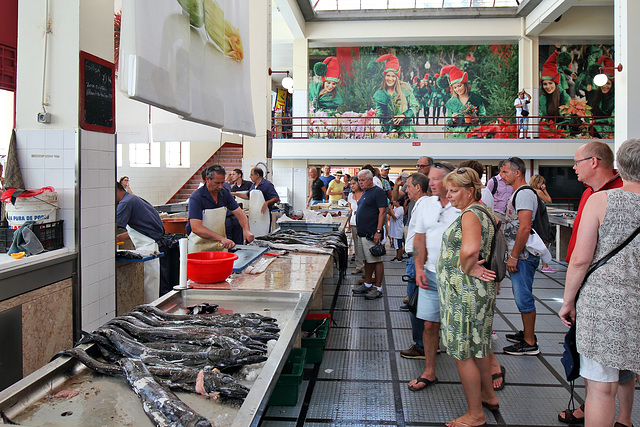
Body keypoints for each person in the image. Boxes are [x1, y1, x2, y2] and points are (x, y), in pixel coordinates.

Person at [558, 138, 640, 427]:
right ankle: (626, 421)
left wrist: (568, 301)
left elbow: (580, 259)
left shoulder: (602, 200)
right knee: (627, 371)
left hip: (603, 303)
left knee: (601, 389)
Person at [437, 167, 499, 427]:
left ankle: (475, 414)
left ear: (470, 191)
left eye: (454, 191)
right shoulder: (483, 211)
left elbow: (471, 248)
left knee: (463, 353)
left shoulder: (470, 215)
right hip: (477, 294)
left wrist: (468, 267)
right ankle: (488, 395)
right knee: (480, 347)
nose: (448, 195)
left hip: (463, 295)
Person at [406, 161, 461, 391]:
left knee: (462, 327)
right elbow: (419, 237)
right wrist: (419, 268)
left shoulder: (463, 205)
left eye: (437, 178)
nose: (432, 182)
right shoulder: (425, 204)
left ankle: (489, 369)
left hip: (458, 277)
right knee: (429, 325)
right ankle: (430, 370)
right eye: (431, 178)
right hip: (430, 273)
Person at [499, 157, 540, 356]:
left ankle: (530, 342)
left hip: (523, 256)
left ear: (518, 172)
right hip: (520, 255)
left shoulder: (524, 194)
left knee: (523, 297)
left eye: (505, 172)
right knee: (522, 295)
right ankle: (527, 334)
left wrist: (514, 256)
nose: (501, 175)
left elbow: (524, 227)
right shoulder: (519, 193)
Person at [116, 182, 169, 301]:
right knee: (154, 288)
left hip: (150, 249)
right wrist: (119, 238)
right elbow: (139, 229)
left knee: (150, 290)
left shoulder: (125, 203)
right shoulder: (133, 199)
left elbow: (115, 227)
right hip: (153, 245)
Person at [398, 173, 429, 357]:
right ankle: (427, 343)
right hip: (415, 258)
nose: (406, 191)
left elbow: (423, 236)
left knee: (415, 304)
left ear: (418, 187)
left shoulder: (424, 205)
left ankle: (421, 345)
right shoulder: (420, 205)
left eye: (408, 187)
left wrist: (419, 265)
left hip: (417, 259)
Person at [187, 165, 254, 250]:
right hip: (200, 247)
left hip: (220, 245)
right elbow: (196, 228)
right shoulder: (196, 197)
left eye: (222, 182)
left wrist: (246, 230)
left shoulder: (224, 194)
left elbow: (240, 214)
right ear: (207, 179)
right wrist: (221, 238)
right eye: (217, 183)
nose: (220, 186)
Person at [351, 169, 388, 300]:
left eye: (362, 180)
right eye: (359, 180)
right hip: (362, 233)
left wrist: (378, 231)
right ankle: (367, 284)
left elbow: (382, 212)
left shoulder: (378, 192)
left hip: (372, 234)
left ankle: (378, 288)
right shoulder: (366, 192)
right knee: (367, 260)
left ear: (370, 180)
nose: (360, 182)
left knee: (376, 260)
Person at [372, 54, 419, 138]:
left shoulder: (405, 89)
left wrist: (404, 115)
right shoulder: (380, 93)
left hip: (406, 132)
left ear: (397, 77)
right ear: (384, 76)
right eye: (388, 75)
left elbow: (415, 106)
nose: (390, 79)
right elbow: (379, 114)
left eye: (393, 76)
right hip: (388, 133)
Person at [440, 64, 486, 139]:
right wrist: (453, 120)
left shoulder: (476, 98)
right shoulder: (451, 102)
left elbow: (485, 117)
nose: (457, 89)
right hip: (458, 138)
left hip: (474, 135)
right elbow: (447, 124)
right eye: (455, 87)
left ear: (465, 84)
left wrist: (477, 118)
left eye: (459, 86)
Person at [528, 174, 555, 273]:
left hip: (534, 219)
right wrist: (545, 190)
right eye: (541, 183)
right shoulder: (538, 192)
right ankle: (545, 265)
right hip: (541, 220)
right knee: (545, 240)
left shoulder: (530, 191)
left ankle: (537, 263)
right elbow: (549, 201)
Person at [585, 56, 615, 139]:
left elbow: (613, 120)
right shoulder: (598, 96)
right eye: (603, 83)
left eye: (608, 83)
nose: (604, 86)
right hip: (596, 130)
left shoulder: (616, 99)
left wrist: (594, 122)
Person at [539, 52, 571, 124]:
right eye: (545, 84)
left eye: (550, 83)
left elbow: (569, 119)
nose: (548, 87)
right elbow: (541, 116)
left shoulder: (564, 97)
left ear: (556, 84)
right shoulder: (542, 98)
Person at [347, 176, 364, 275]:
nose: (352, 186)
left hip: (363, 223)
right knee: (357, 245)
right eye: (351, 184)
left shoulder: (364, 194)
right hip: (354, 223)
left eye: (354, 183)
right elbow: (351, 210)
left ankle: (367, 265)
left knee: (364, 245)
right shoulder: (350, 196)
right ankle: (359, 265)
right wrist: (349, 224)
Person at [388, 198, 404, 262]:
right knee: (396, 244)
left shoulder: (400, 209)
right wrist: (390, 209)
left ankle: (399, 257)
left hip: (398, 229)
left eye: (395, 200)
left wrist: (391, 209)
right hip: (395, 229)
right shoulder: (395, 208)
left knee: (398, 244)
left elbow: (395, 217)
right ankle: (397, 256)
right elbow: (390, 214)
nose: (393, 202)